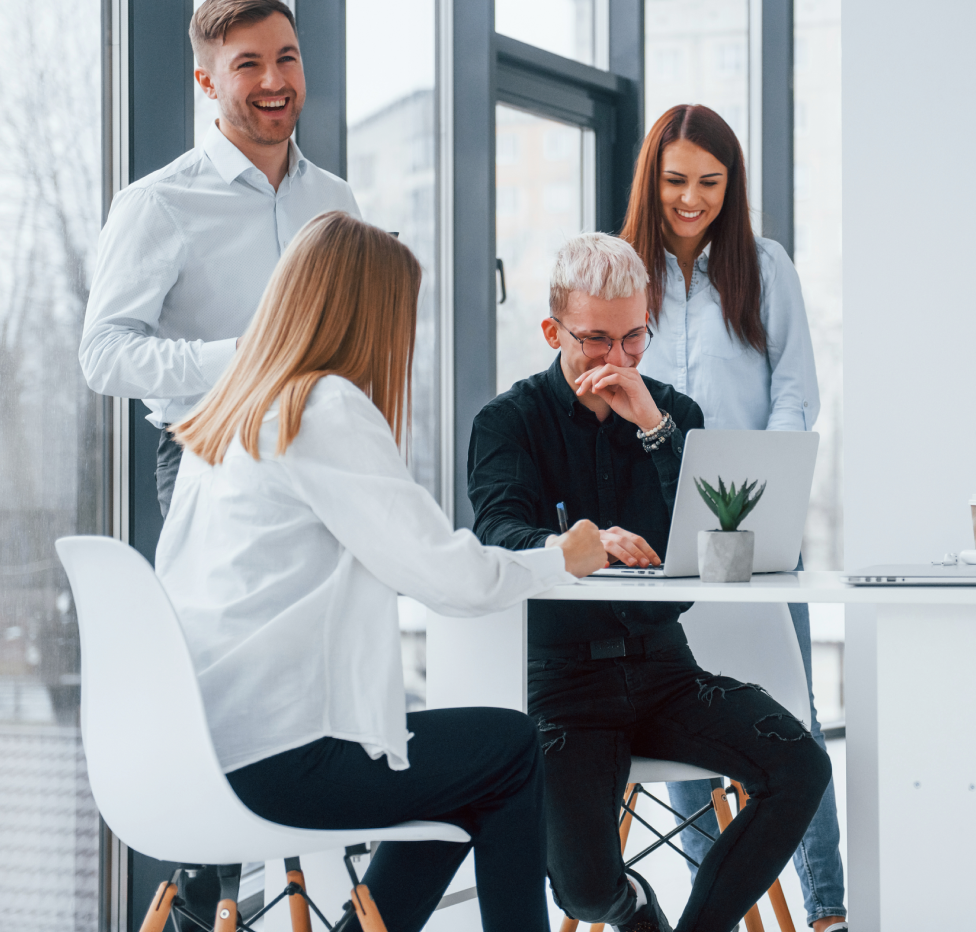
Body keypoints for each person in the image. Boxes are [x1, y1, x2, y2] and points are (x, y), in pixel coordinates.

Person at [156, 212, 608, 932]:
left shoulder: (229, 413)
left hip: (190, 754)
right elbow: (447, 577)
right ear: (371, 314)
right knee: (511, 747)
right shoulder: (322, 406)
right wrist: (562, 558)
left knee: (471, 777)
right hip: (276, 761)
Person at [467, 232, 831, 932]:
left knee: (802, 768)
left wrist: (656, 433)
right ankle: (639, 918)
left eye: (634, 338)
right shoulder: (507, 423)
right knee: (581, 891)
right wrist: (580, 546)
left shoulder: (676, 417)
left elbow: (700, 552)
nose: (618, 360)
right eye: (596, 340)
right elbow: (498, 538)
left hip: (666, 669)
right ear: (553, 330)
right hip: (564, 685)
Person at [620, 103, 846, 932]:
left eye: (710, 182)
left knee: (792, 714)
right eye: (676, 180)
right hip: (657, 528)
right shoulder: (624, 269)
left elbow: (795, 388)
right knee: (679, 705)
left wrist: (766, 479)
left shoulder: (763, 264)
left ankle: (827, 909)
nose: (691, 198)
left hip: (755, 520)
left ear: (731, 184)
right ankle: (710, 910)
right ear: (653, 179)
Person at [80, 0, 360, 519]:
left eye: (286, 58)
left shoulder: (336, 199)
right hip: (211, 455)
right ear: (206, 81)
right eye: (247, 64)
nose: (274, 81)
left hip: (328, 452)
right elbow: (103, 356)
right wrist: (243, 357)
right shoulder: (158, 202)